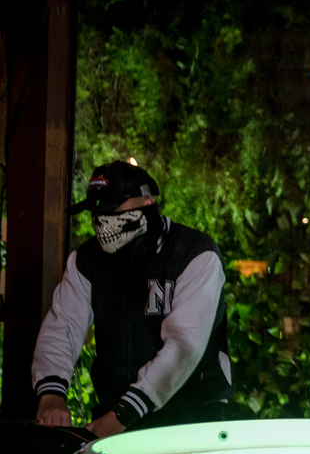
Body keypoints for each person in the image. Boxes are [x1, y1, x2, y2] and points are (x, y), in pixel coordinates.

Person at [32, 161, 233, 438]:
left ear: (148, 201)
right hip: (115, 412)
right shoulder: (87, 261)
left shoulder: (194, 254)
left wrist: (122, 414)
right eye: (96, 211)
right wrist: (51, 395)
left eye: (112, 209)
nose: (102, 219)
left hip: (191, 416)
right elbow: (62, 327)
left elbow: (184, 345)